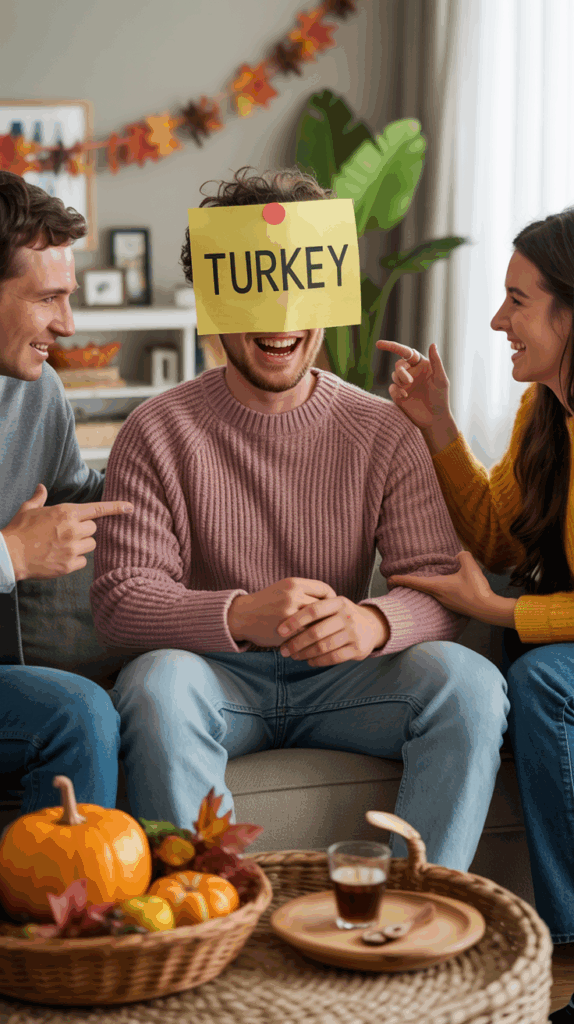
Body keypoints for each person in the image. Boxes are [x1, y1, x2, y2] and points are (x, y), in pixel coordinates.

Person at [90, 167, 509, 869]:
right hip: (215, 681)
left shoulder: (383, 429)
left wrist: (373, 622)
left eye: (298, 294)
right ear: (215, 303)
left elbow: (437, 587)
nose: (280, 322)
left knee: (467, 682)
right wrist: (241, 615)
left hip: (346, 683)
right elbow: (120, 603)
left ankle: (410, 912)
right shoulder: (154, 430)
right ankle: (208, 915)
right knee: (156, 683)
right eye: (253, 295)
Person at [378, 208, 574, 1022]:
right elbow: (496, 529)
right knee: (535, 682)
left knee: (540, 685)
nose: (498, 320)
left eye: (517, 301)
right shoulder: (544, 411)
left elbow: (501, 585)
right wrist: (440, 429)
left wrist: (500, 610)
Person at [0, 170, 134, 814]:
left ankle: (62, 910)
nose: (69, 325)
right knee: (75, 712)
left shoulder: (35, 391)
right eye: (48, 298)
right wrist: (12, 556)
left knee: (90, 707)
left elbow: (80, 498)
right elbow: (27, 545)